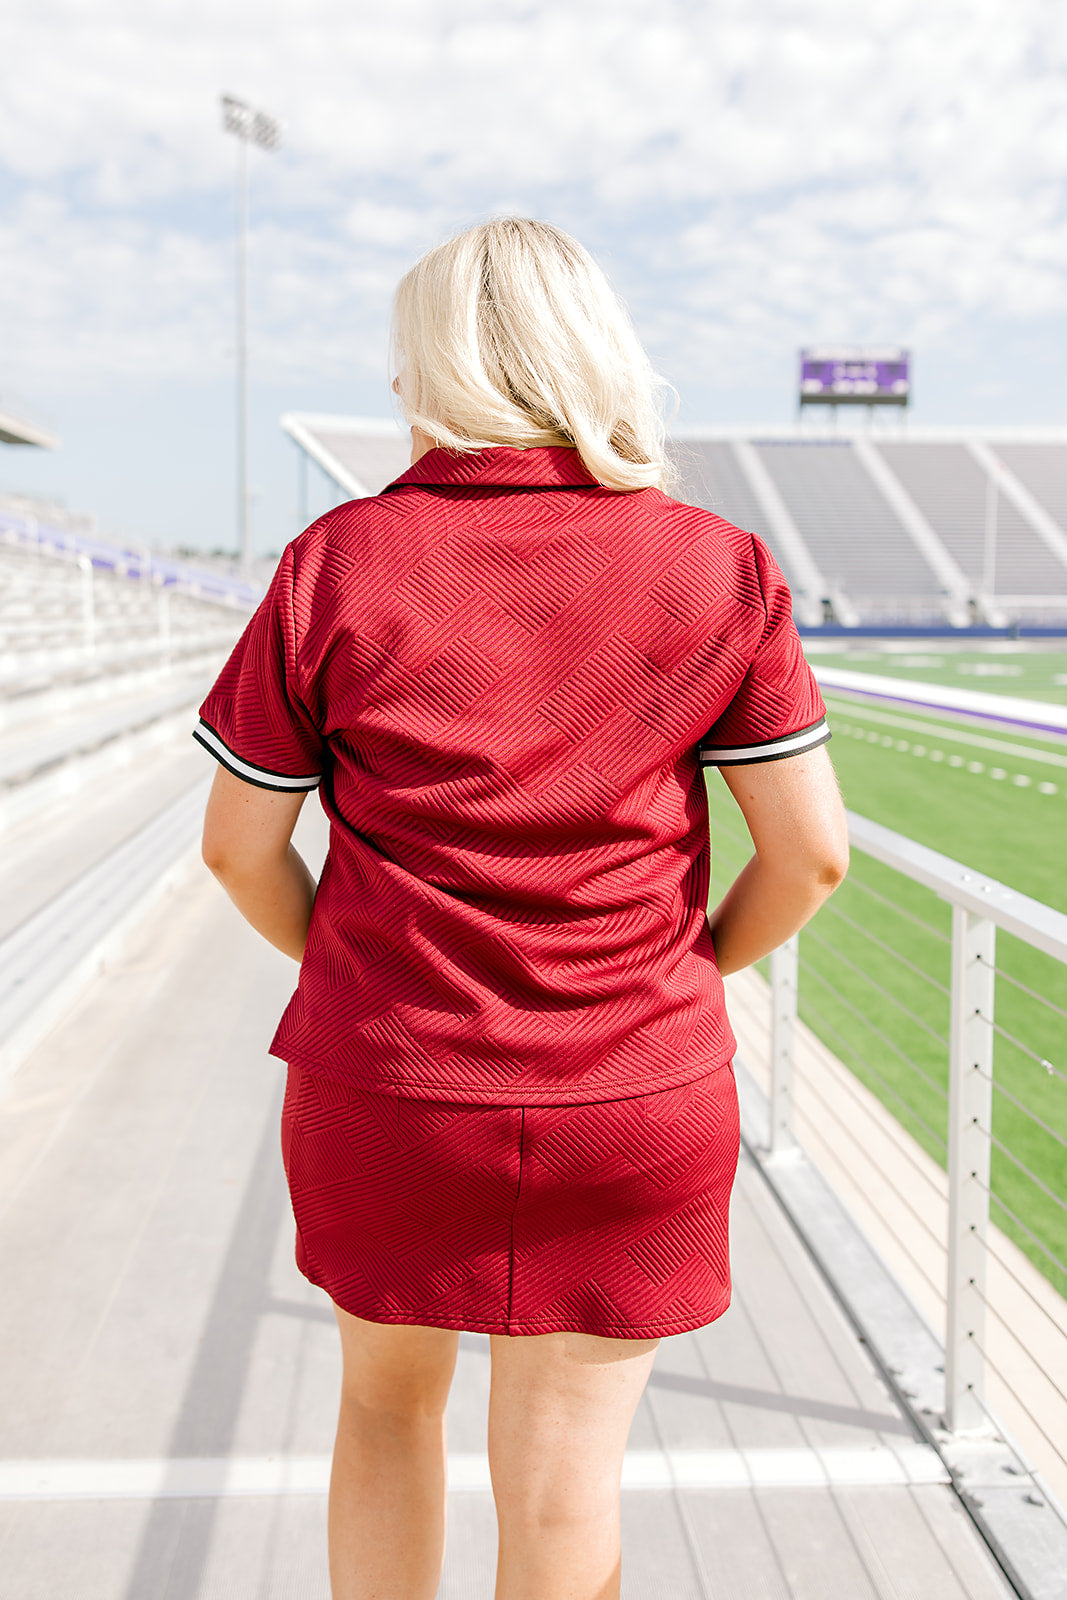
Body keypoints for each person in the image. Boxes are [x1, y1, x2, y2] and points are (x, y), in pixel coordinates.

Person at [196, 218, 848, 1600]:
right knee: (566, 1490)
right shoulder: (713, 563)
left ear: (428, 368)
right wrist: (688, 971)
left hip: (389, 1085)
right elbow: (812, 859)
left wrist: (367, 975)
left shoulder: (337, 563)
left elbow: (238, 850)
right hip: (636, 1087)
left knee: (383, 1413)